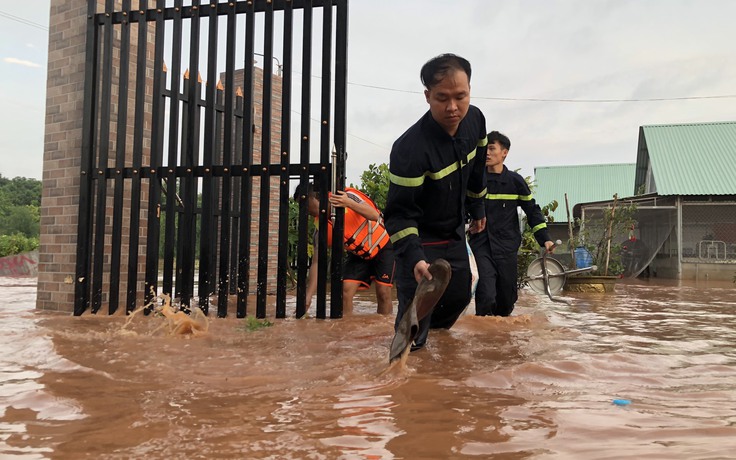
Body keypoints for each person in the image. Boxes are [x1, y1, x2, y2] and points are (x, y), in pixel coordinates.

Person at [383, 53, 488, 351]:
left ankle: (437, 362)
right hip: (421, 236)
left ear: (470, 91)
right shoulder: (410, 149)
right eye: (442, 98)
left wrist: (477, 207)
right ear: (428, 96)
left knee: (458, 295)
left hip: (453, 230)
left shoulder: (476, 121)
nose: (453, 107)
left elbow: (478, 168)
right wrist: (414, 257)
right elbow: (400, 214)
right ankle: (405, 371)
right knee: (414, 322)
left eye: (460, 96)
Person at [468, 130, 555, 317]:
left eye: (492, 149)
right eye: (485, 149)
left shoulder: (515, 182)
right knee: (486, 295)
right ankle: (483, 338)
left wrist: (545, 239)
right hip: (481, 245)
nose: (487, 153)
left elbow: (532, 210)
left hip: (507, 247)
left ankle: (501, 339)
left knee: (507, 299)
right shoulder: (475, 181)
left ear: (505, 153)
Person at [294, 182, 395, 315]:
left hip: (383, 248)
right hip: (359, 256)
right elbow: (317, 263)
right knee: (345, 290)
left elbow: (374, 215)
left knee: (383, 292)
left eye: (305, 204)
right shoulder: (320, 229)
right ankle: (346, 331)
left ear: (316, 197)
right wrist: (308, 297)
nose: (305, 211)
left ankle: (384, 329)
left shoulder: (346, 196)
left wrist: (348, 203)